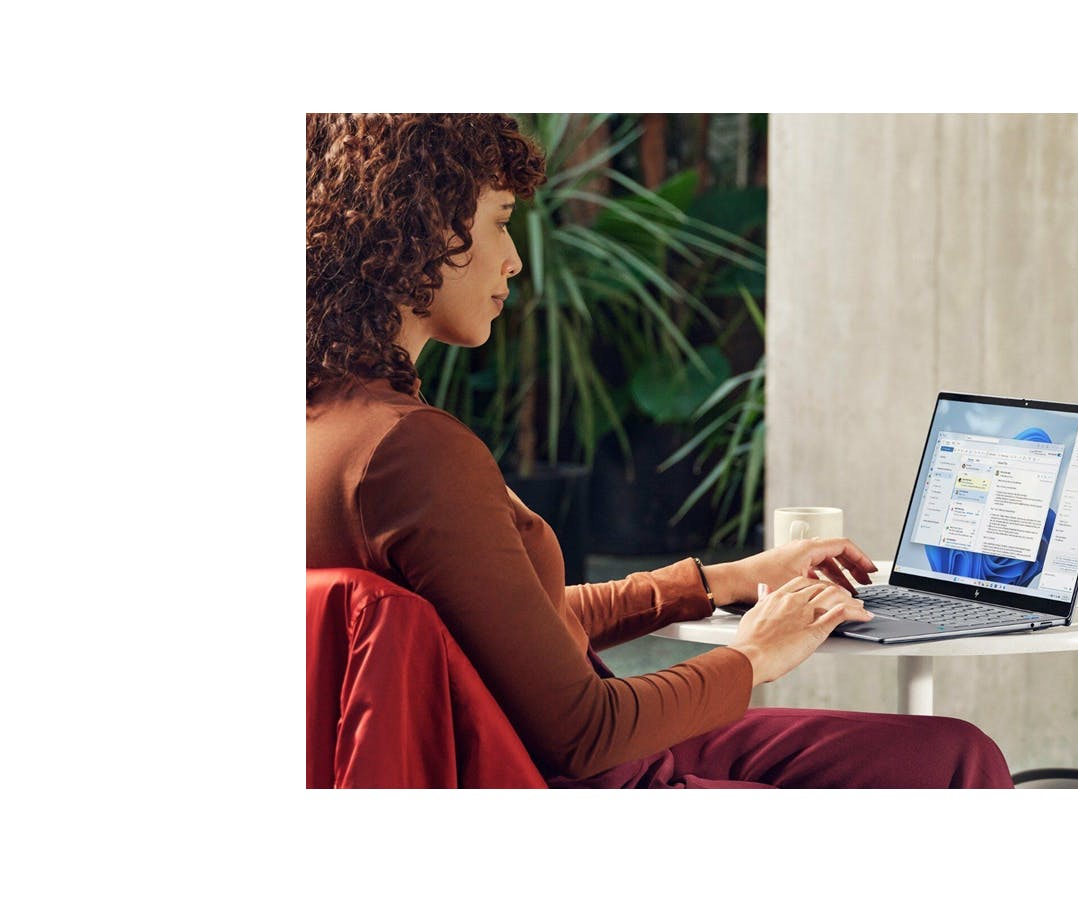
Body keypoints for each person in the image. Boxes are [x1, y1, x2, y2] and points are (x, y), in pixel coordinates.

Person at [306, 113, 1013, 788]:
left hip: (547, 758)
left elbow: (516, 633)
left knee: (950, 752)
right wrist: (757, 651)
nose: (515, 259)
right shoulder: (411, 452)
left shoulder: (330, 425)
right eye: (500, 220)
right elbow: (586, 732)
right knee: (952, 764)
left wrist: (720, 581)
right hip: (579, 776)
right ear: (421, 227)